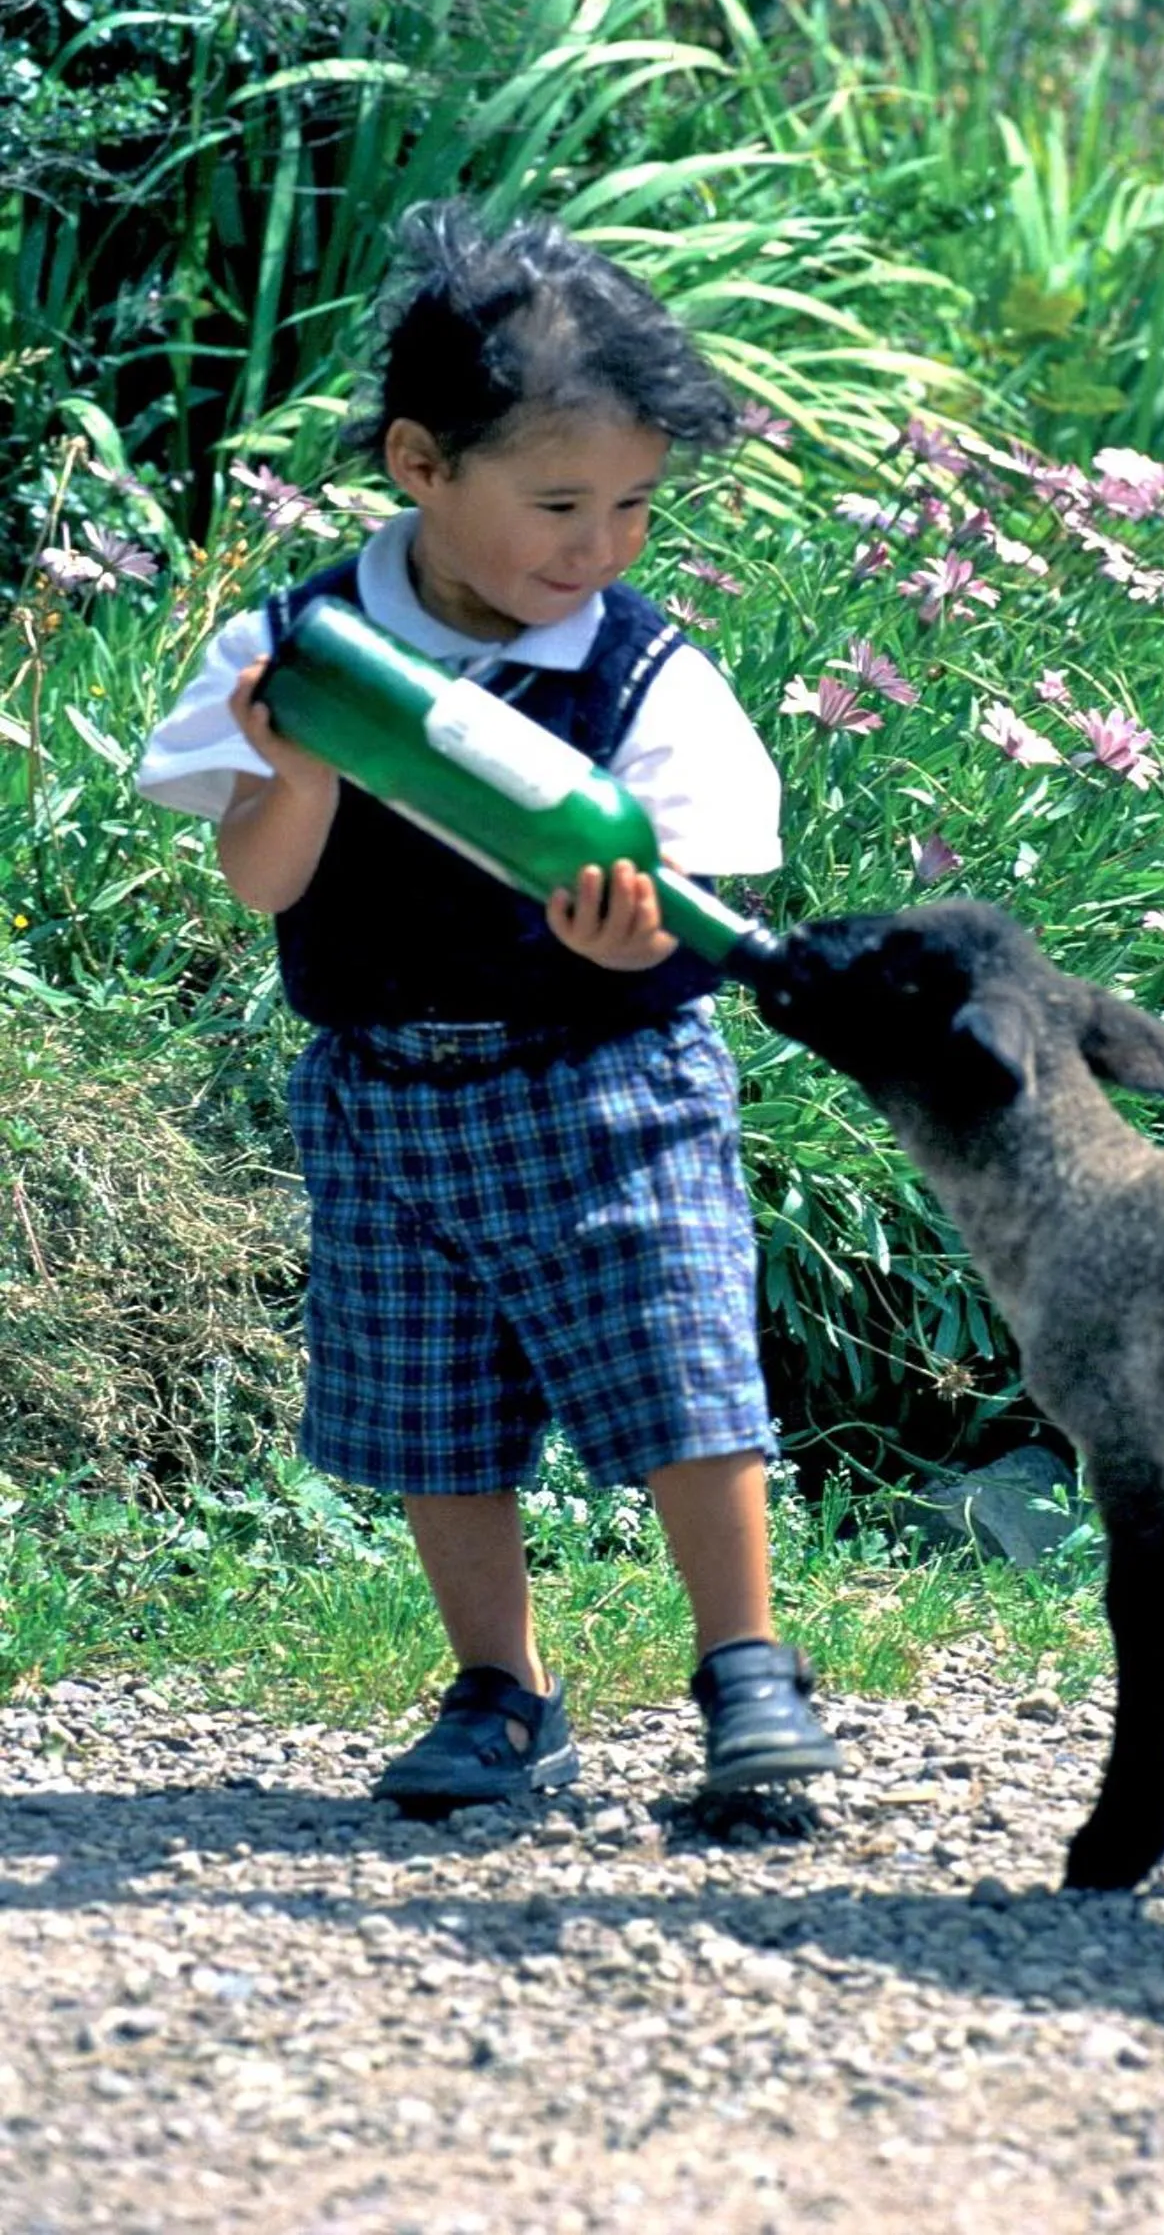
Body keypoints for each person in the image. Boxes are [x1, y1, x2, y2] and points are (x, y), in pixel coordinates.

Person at [137, 198, 842, 1811]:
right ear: (419, 465)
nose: (598, 547)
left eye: (635, 506)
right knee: (428, 1400)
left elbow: (692, 882)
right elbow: (260, 880)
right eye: (559, 503)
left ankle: (748, 1665)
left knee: (679, 1360)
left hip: (606, 1077)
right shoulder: (301, 649)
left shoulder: (642, 674)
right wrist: (296, 759)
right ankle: (502, 1687)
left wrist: (625, 947)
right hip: (381, 1089)